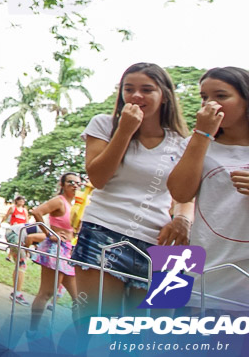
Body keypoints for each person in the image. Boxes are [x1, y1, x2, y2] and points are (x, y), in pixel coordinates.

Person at [71, 63, 193, 316]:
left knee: (146, 332)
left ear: (165, 95)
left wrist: (182, 219)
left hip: (157, 243)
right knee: (95, 324)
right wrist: (125, 131)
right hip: (103, 232)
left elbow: (185, 194)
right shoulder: (104, 125)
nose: (136, 96)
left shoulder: (182, 142)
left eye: (147, 89)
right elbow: (98, 178)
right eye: (129, 89)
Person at [167, 67, 249, 313]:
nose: (210, 104)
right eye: (204, 97)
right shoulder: (198, 143)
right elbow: (180, 193)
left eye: (220, 96)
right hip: (207, 285)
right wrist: (202, 134)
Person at [27, 173, 82, 330]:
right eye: (71, 182)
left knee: (79, 298)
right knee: (46, 293)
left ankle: (80, 339)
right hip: (55, 250)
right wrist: (50, 233)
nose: (75, 185)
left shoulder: (75, 206)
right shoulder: (59, 201)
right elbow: (37, 212)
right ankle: (33, 330)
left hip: (68, 252)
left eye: (78, 183)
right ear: (63, 184)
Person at [1, 196, 32, 305]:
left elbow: (27, 224)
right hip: (15, 234)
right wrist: (28, 250)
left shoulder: (25, 211)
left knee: (19, 264)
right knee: (22, 264)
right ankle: (17, 294)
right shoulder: (13, 208)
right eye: (20, 200)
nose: (22, 202)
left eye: (24, 200)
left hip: (16, 234)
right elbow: (30, 238)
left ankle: (16, 292)